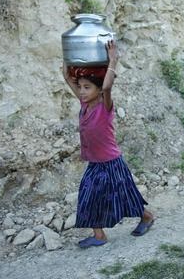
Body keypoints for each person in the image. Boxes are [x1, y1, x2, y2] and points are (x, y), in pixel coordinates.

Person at [62, 40, 155, 248]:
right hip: (95, 163)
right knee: (87, 195)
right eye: (81, 88)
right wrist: (68, 59)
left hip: (112, 163)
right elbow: (69, 79)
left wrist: (113, 60)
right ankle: (99, 235)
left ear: (98, 90)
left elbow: (106, 86)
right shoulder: (84, 104)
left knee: (124, 196)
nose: (83, 91)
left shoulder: (105, 107)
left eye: (88, 87)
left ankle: (147, 217)